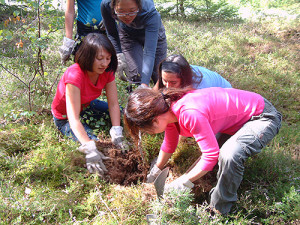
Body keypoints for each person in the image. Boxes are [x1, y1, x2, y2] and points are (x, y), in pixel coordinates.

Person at [124, 87, 282, 214]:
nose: (147, 133)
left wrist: (183, 181)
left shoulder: (189, 113)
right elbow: (169, 144)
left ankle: (218, 210)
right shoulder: (168, 110)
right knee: (213, 154)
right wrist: (156, 170)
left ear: (155, 120)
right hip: (235, 123)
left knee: (228, 155)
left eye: (144, 129)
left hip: (262, 117)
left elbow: (211, 156)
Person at [52, 33, 127, 175]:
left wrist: (117, 131)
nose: (104, 63)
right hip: (65, 117)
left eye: (108, 58)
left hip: (87, 105)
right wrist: (89, 146)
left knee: (124, 113)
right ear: (87, 56)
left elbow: (113, 104)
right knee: (96, 144)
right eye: (99, 59)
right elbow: (73, 118)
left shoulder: (107, 71)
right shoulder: (75, 75)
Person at [101, 0, 167, 87]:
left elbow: (149, 52)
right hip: (128, 34)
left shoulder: (150, 13)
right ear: (114, 8)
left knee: (158, 75)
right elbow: (112, 33)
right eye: (121, 12)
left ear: (139, 7)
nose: (127, 16)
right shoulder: (106, 5)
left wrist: (144, 84)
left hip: (153, 35)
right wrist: (119, 55)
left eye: (132, 11)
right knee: (136, 75)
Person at [59, 0, 106, 64]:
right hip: (85, 31)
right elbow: (69, 11)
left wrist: (110, 17)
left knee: (105, 64)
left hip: (106, 30)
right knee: (84, 65)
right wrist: (68, 42)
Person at [153, 54, 232, 91]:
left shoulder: (200, 87)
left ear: (184, 79)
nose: (168, 86)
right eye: (165, 81)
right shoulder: (169, 74)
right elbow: (153, 94)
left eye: (173, 83)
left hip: (226, 94)